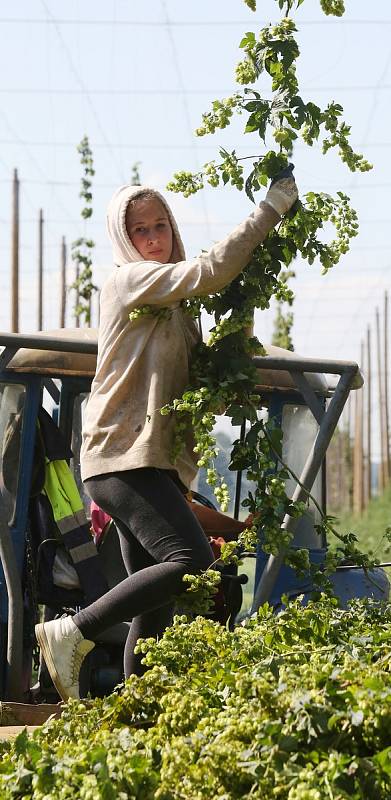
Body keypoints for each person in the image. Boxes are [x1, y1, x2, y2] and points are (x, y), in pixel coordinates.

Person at [35, 168, 298, 701]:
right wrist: (270, 211)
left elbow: (205, 386)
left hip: (151, 461)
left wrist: (242, 307)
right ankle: (74, 632)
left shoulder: (178, 312)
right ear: (123, 239)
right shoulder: (129, 282)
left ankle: (136, 716)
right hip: (119, 456)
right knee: (193, 561)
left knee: (151, 613)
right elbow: (207, 271)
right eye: (140, 231)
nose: (154, 239)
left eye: (161, 227)